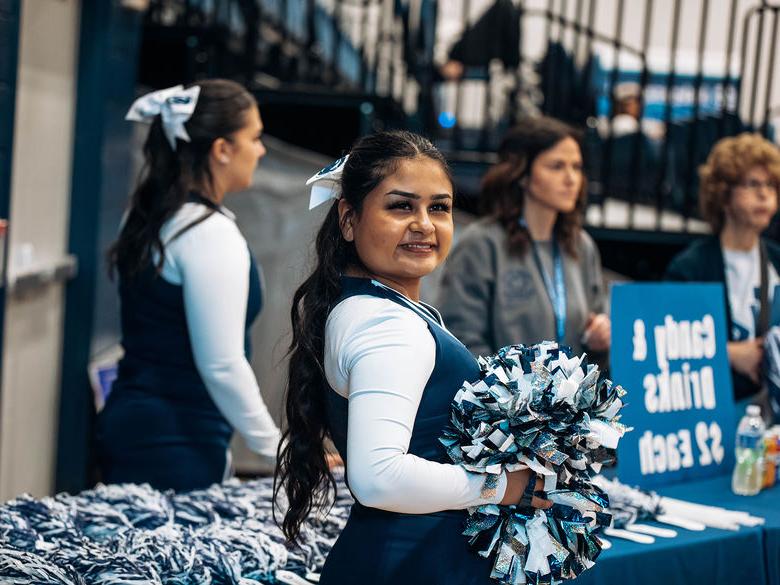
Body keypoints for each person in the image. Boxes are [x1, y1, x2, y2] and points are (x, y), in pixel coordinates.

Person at [274, 130, 551, 584]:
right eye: (401, 206)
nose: (424, 223)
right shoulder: (387, 324)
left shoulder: (374, 306)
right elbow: (378, 476)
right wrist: (506, 486)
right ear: (348, 219)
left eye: (438, 207)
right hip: (412, 564)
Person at [98, 79, 281, 491]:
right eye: (254, 138)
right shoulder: (208, 233)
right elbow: (221, 364)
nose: (261, 150)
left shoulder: (147, 213)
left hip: (132, 424)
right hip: (174, 441)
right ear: (221, 150)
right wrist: (278, 449)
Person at [437, 116, 610, 362]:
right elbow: (462, 341)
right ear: (522, 174)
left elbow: (596, 334)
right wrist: (513, 395)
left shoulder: (581, 246)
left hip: (572, 399)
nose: (571, 178)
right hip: (501, 399)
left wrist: (600, 341)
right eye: (557, 166)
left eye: (577, 167)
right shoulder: (482, 244)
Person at [665, 132, 780, 408]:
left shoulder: (776, 258)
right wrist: (727, 354)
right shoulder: (690, 267)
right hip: (714, 412)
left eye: (770, 185)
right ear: (724, 195)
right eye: (752, 184)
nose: (764, 194)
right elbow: (666, 348)